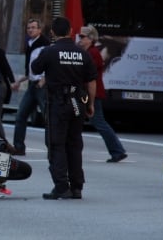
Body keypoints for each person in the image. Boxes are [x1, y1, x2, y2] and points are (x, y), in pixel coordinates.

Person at [31, 17, 97, 200]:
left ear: (52, 33)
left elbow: (35, 68)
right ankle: (77, 187)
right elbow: (92, 81)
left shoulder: (49, 52)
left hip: (58, 103)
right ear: (70, 31)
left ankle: (61, 186)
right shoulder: (83, 53)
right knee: (74, 144)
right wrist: (90, 104)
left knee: (55, 144)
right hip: (78, 102)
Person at [77, 25, 127, 163]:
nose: (79, 39)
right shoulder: (88, 52)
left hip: (93, 93)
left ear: (91, 39)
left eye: (82, 37)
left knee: (99, 122)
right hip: (88, 92)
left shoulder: (93, 53)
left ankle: (117, 150)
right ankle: (117, 151)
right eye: (79, 36)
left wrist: (90, 100)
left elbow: (89, 76)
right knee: (91, 121)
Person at [11, 18, 50, 155]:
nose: (30, 30)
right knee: (21, 115)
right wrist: (19, 81)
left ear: (40, 29)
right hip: (32, 84)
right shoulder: (30, 44)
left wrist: (44, 80)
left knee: (48, 117)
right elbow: (31, 70)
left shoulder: (44, 44)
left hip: (42, 86)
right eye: (28, 28)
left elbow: (48, 64)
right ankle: (18, 147)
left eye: (33, 27)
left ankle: (53, 148)